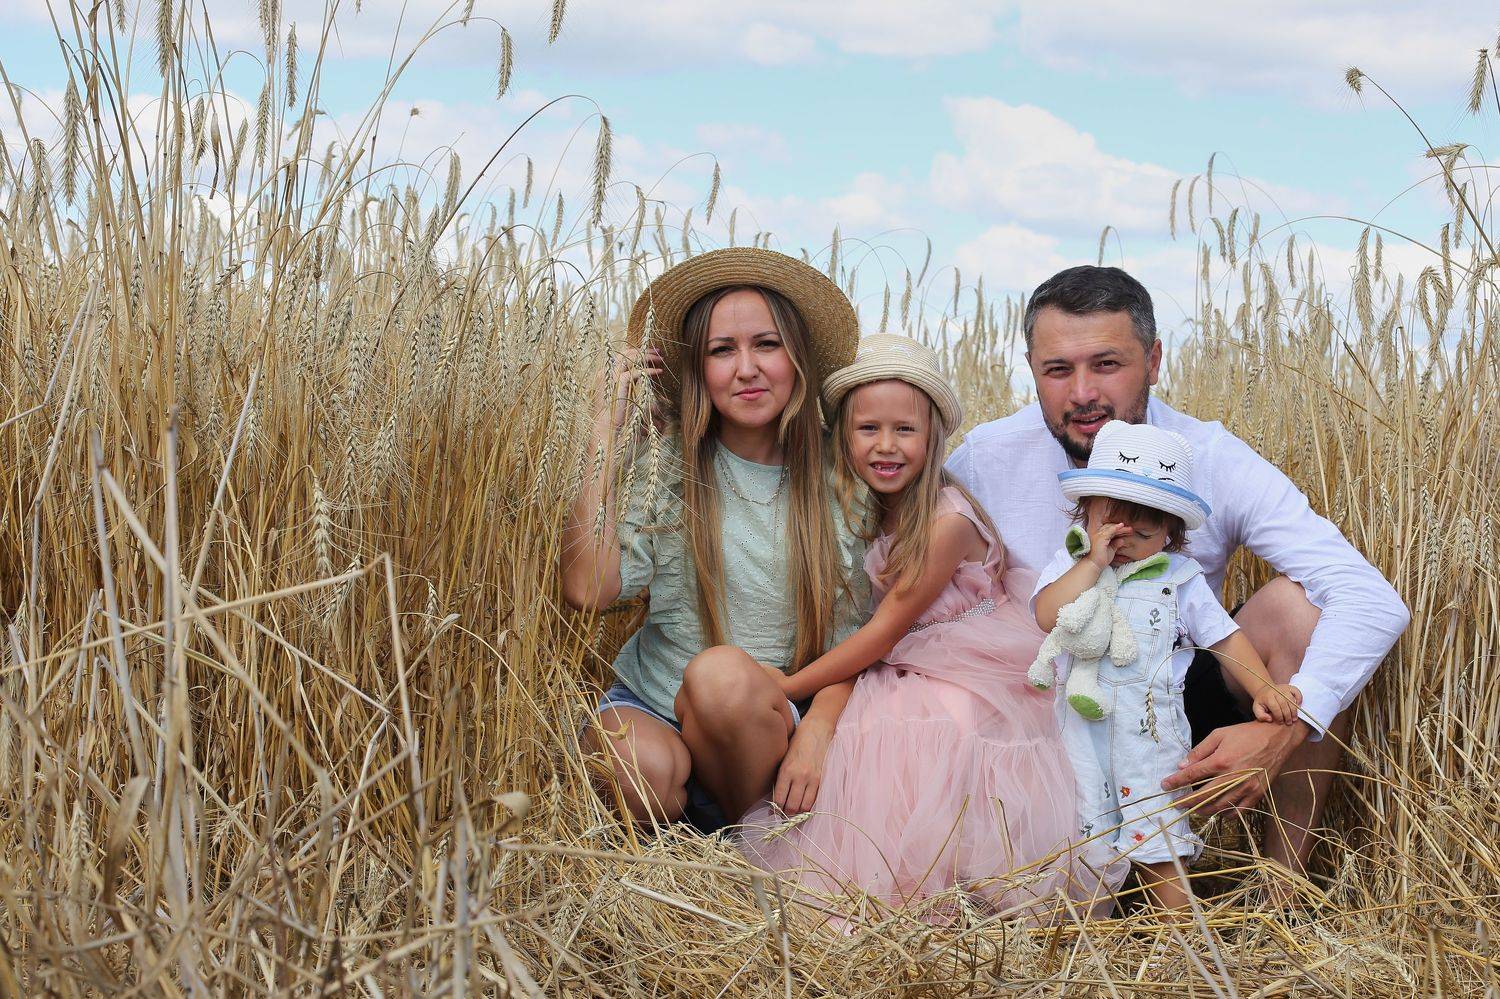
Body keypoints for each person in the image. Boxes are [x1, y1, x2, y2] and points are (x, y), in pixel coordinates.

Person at [946, 265, 1410, 875]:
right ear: (1031, 368)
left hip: (1164, 701)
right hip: (1034, 705)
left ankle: (1282, 899)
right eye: (1057, 369)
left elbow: (1369, 597)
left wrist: (1291, 725)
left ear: (1154, 360)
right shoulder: (983, 459)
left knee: (1300, 611)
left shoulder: (1209, 456)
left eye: (1106, 364)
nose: (1082, 392)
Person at [737, 335, 1122, 917]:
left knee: (938, 722)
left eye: (905, 430)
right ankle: (883, 893)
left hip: (973, 657)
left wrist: (787, 688)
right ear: (843, 435)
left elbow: (882, 632)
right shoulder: (855, 509)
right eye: (868, 429)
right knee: (877, 732)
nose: (886, 446)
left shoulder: (947, 520)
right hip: (907, 658)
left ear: (934, 437)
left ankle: (950, 893)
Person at [560, 247, 869, 830]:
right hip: (655, 704)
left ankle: (751, 834)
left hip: (769, 722)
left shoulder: (843, 476)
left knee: (720, 677)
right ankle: (699, 832)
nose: (746, 368)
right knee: (638, 769)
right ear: (698, 370)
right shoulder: (669, 463)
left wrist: (819, 729)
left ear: (798, 357)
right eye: (722, 350)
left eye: (767, 344)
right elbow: (587, 590)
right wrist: (603, 436)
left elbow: (862, 641)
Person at [1032, 420, 1304, 909]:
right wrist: (1091, 564)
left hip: (1150, 732)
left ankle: (1178, 938)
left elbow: (1223, 636)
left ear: (1171, 533)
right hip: (1079, 734)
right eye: (1111, 524)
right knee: (1083, 829)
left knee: (1157, 828)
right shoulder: (1070, 565)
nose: (1124, 540)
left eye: (1145, 529)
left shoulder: (1179, 578)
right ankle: (1086, 933)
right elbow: (1047, 616)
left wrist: (1264, 687)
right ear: (1086, 512)